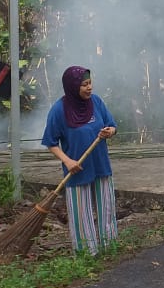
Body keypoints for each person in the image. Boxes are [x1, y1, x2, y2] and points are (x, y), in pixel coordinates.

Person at [41, 66, 118, 255]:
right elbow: (50, 142)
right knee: (81, 214)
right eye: (84, 85)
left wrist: (109, 132)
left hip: (100, 164)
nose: (89, 88)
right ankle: (87, 252)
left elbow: (112, 125)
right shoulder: (58, 110)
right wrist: (67, 161)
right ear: (72, 86)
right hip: (77, 169)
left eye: (90, 83)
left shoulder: (96, 102)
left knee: (106, 209)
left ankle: (110, 247)